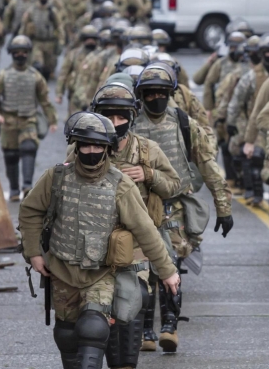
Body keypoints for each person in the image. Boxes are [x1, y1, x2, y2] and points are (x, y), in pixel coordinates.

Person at [18, 111, 180, 369]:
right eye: (85, 144)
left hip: (102, 273)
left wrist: (167, 271)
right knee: (67, 335)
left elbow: (146, 230)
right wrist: (34, 253)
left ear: (108, 148)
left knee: (93, 328)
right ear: (76, 145)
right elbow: (30, 211)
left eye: (98, 145)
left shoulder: (120, 185)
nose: (91, 151)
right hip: (61, 270)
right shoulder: (56, 177)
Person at [132, 63, 234, 352]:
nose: (155, 99)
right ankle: (145, 331)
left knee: (171, 262)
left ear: (170, 93)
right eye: (149, 94)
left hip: (173, 205)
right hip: (138, 205)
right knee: (143, 268)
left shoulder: (183, 122)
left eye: (161, 93)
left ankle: (169, 327)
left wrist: (223, 207)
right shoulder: (130, 124)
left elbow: (209, 166)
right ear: (141, 95)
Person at [87, 82, 182, 361]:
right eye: (109, 116)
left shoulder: (148, 150)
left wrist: (149, 174)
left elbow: (175, 185)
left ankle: (137, 346)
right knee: (92, 311)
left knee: (136, 294)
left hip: (139, 239)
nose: (115, 123)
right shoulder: (87, 148)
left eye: (121, 116)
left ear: (131, 116)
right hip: (96, 240)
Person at [0, 35, 57, 200]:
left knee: (29, 148)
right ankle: (14, 190)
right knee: (10, 155)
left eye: (23, 52)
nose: (20, 55)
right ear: (12, 54)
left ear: (28, 53)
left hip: (28, 119)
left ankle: (27, 185)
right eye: (17, 52)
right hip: (7, 120)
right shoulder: (3, 75)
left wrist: (52, 120)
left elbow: (45, 99)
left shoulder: (35, 76)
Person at [227, 33, 269, 205]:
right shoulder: (251, 76)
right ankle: (255, 192)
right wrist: (231, 122)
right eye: (266, 51)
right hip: (259, 125)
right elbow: (237, 100)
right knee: (255, 158)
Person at [19, 0, 65, 80]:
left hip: (50, 43)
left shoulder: (52, 11)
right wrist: (21, 40)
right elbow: (24, 25)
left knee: (48, 68)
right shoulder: (32, 10)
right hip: (37, 42)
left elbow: (59, 26)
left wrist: (61, 41)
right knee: (37, 65)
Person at [56, 25, 100, 116]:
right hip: (75, 93)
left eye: (93, 38)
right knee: (74, 119)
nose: (90, 41)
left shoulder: (100, 55)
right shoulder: (74, 54)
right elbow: (63, 73)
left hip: (94, 92)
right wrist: (59, 93)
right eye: (87, 38)